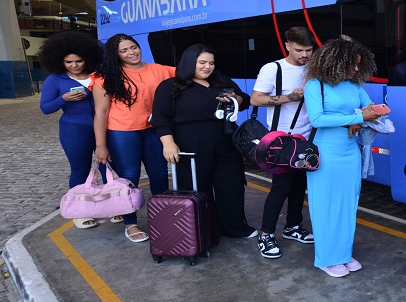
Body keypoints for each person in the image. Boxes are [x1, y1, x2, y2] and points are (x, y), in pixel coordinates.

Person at [152, 44, 257, 244]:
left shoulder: (221, 81)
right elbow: (160, 118)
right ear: (190, 62)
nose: (207, 67)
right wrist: (168, 143)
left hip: (226, 140)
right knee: (197, 187)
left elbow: (246, 100)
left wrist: (236, 98)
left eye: (211, 63)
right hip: (190, 142)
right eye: (202, 63)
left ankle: (234, 227)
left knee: (231, 185)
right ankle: (202, 232)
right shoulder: (170, 86)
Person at [303, 35, 380, 277]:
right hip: (325, 151)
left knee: (348, 205)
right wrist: (356, 119)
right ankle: (327, 258)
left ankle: (343, 254)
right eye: (352, 64)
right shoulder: (315, 85)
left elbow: (370, 110)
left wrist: (370, 117)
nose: (356, 69)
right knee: (326, 206)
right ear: (335, 62)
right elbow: (317, 120)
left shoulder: (355, 86)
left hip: (350, 152)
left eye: (359, 64)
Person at [91, 34, 175, 243]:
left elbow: (190, 73)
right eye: (124, 50)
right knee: (129, 177)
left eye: (134, 47)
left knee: (159, 175)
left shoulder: (160, 70)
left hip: (153, 129)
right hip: (122, 132)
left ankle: (162, 218)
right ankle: (130, 223)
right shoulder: (105, 77)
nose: (132, 53)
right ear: (115, 54)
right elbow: (100, 113)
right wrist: (101, 146)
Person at [250, 27, 315, 258]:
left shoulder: (314, 68)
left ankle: (292, 227)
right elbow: (255, 99)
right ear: (287, 45)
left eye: (309, 50)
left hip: (308, 139)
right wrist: (290, 97)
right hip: (281, 141)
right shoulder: (273, 68)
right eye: (299, 50)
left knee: (299, 187)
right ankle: (266, 234)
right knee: (281, 188)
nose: (305, 55)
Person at [38, 31, 115, 229]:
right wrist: (62, 99)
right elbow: (45, 109)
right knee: (80, 170)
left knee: (109, 167)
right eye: (68, 62)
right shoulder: (55, 80)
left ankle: (114, 207)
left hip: (106, 127)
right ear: (60, 61)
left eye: (79, 60)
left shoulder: (97, 75)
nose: (74, 65)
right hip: (74, 130)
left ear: (86, 58)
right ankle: (80, 211)